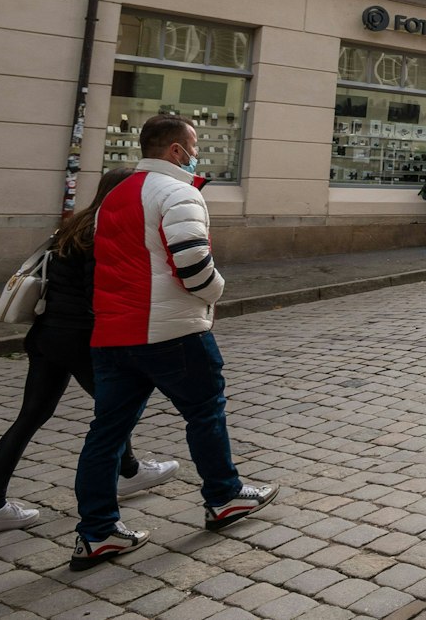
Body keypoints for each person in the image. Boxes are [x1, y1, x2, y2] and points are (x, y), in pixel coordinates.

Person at [72, 116, 275, 570]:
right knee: (205, 411)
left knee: (106, 434)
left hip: (112, 333)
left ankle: (97, 531)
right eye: (194, 145)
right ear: (176, 151)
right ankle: (223, 497)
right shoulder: (179, 192)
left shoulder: (113, 198)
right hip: (170, 330)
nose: (197, 152)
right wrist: (217, 290)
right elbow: (192, 263)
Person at [0, 168, 178, 539]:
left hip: (48, 335)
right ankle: (123, 481)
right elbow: (95, 291)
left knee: (30, 417)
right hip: (81, 337)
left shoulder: (75, 223)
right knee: (116, 412)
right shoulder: (103, 230)